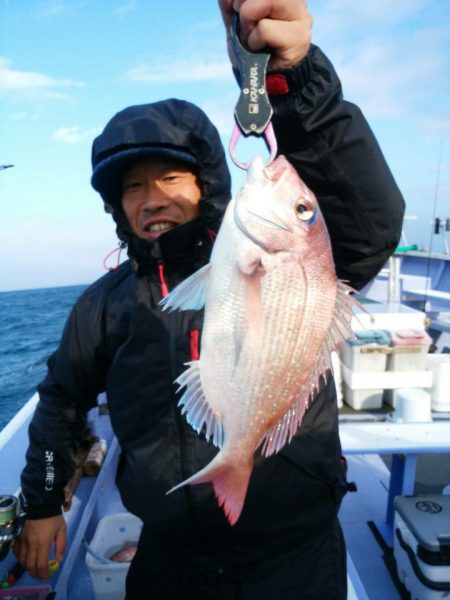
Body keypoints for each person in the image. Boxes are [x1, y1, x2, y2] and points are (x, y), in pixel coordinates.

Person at [14, 0, 405, 598]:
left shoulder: (299, 260)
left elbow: (371, 222)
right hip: (168, 558)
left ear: (208, 183)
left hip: (293, 555)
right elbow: (62, 400)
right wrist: (42, 503)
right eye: (133, 187)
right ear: (117, 207)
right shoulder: (104, 303)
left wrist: (295, 77)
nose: (151, 199)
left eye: (170, 178)